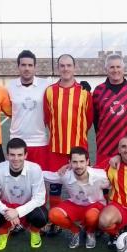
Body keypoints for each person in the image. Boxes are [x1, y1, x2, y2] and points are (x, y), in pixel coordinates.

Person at [43, 54, 93, 210]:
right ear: (58, 68)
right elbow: (47, 118)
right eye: (62, 65)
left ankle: (85, 216)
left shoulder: (84, 92)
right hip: (56, 148)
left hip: (79, 148)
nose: (65, 69)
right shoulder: (49, 91)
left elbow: (89, 119)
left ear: (74, 68)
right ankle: (54, 217)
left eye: (69, 65)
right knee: (55, 185)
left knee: (82, 184)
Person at [0, 137, 48, 250]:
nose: (16, 159)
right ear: (7, 155)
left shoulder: (35, 169)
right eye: (12, 155)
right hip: (7, 207)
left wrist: (17, 212)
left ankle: (35, 231)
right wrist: (6, 210)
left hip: (27, 207)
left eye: (20, 155)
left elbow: (39, 198)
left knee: (42, 216)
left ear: (25, 155)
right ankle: (2, 233)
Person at [44, 146, 110, 249]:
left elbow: (116, 182)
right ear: (69, 162)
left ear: (87, 162)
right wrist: (26, 168)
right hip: (76, 205)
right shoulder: (65, 175)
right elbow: (47, 176)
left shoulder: (100, 176)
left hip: (95, 206)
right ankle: (76, 231)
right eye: (75, 162)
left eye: (81, 161)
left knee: (91, 215)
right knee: (53, 214)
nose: (78, 166)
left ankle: (90, 232)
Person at [92, 54, 127, 164]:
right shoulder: (98, 90)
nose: (115, 70)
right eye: (112, 67)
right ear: (106, 69)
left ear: (124, 68)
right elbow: (95, 120)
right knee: (104, 175)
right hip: (105, 146)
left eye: (118, 67)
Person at [7, 50, 50, 169]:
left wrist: (81, 87)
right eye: (23, 65)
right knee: (17, 178)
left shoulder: (46, 85)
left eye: (30, 65)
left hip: (39, 141)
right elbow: (8, 110)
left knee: (40, 177)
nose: (27, 68)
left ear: (35, 67)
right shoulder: (10, 86)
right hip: (17, 141)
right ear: (18, 67)